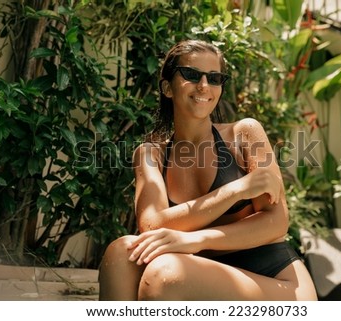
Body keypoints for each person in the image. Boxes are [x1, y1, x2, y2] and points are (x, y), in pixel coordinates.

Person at [98, 39, 317, 301]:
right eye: (192, 75)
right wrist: (237, 189)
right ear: (167, 87)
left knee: (165, 272)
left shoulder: (244, 134)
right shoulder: (151, 154)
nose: (204, 86)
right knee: (120, 253)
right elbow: (151, 225)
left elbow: (276, 223)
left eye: (214, 78)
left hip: (275, 280)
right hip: (199, 272)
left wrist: (197, 240)